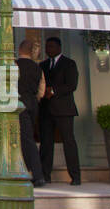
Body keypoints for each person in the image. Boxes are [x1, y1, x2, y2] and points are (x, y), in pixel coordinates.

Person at [38, 37, 81, 185]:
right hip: (46, 110)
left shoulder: (69, 64)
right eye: (47, 47)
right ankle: (45, 175)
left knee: (69, 142)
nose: (48, 49)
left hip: (64, 109)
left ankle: (75, 176)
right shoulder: (42, 65)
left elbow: (72, 85)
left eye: (51, 47)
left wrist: (54, 91)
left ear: (59, 48)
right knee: (46, 143)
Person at [16, 39, 46, 187]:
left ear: (19, 50)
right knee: (27, 137)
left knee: (26, 139)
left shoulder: (13, 65)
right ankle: (27, 170)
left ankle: (37, 174)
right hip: (33, 103)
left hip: (18, 103)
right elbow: (41, 90)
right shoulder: (38, 68)